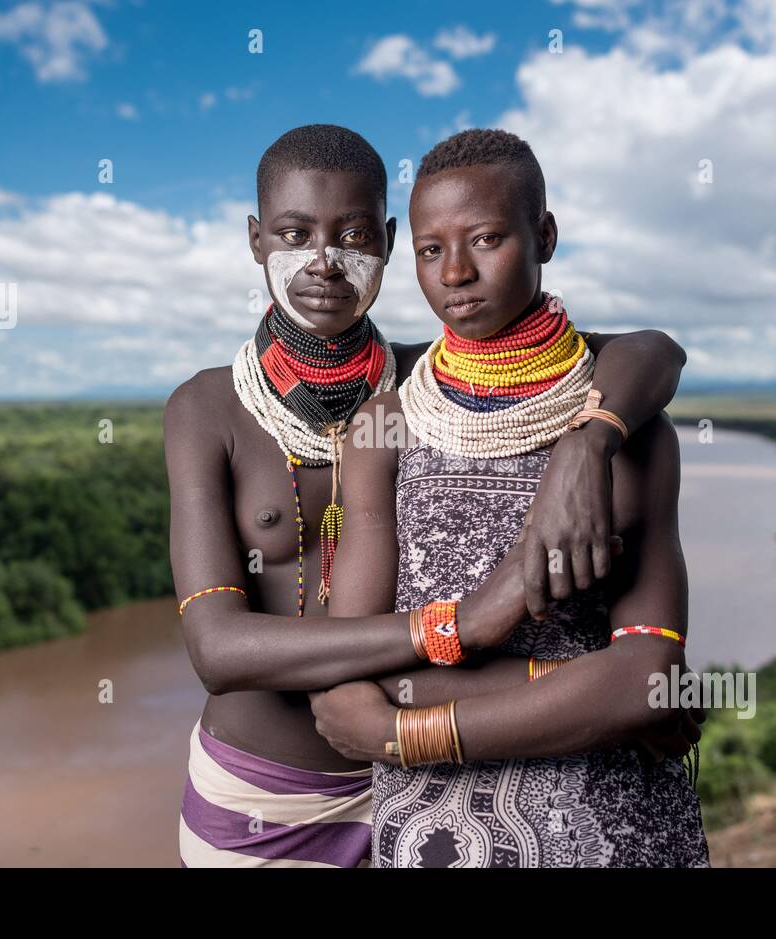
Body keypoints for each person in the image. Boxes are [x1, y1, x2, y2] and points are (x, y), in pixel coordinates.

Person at [164, 124, 690, 867]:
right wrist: (466, 625)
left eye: (351, 236)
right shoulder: (207, 408)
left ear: (384, 241)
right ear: (256, 240)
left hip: (413, 791)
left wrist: (589, 440)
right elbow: (218, 650)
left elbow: (649, 350)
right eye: (293, 234)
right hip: (265, 797)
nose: (322, 262)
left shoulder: (431, 380)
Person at [310, 128, 709, 867]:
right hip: (431, 831)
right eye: (430, 250)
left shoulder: (631, 429)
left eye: (486, 238)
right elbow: (346, 677)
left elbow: (645, 683)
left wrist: (401, 732)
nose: (456, 272)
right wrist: (565, 681)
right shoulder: (384, 428)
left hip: (608, 829)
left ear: (545, 235)